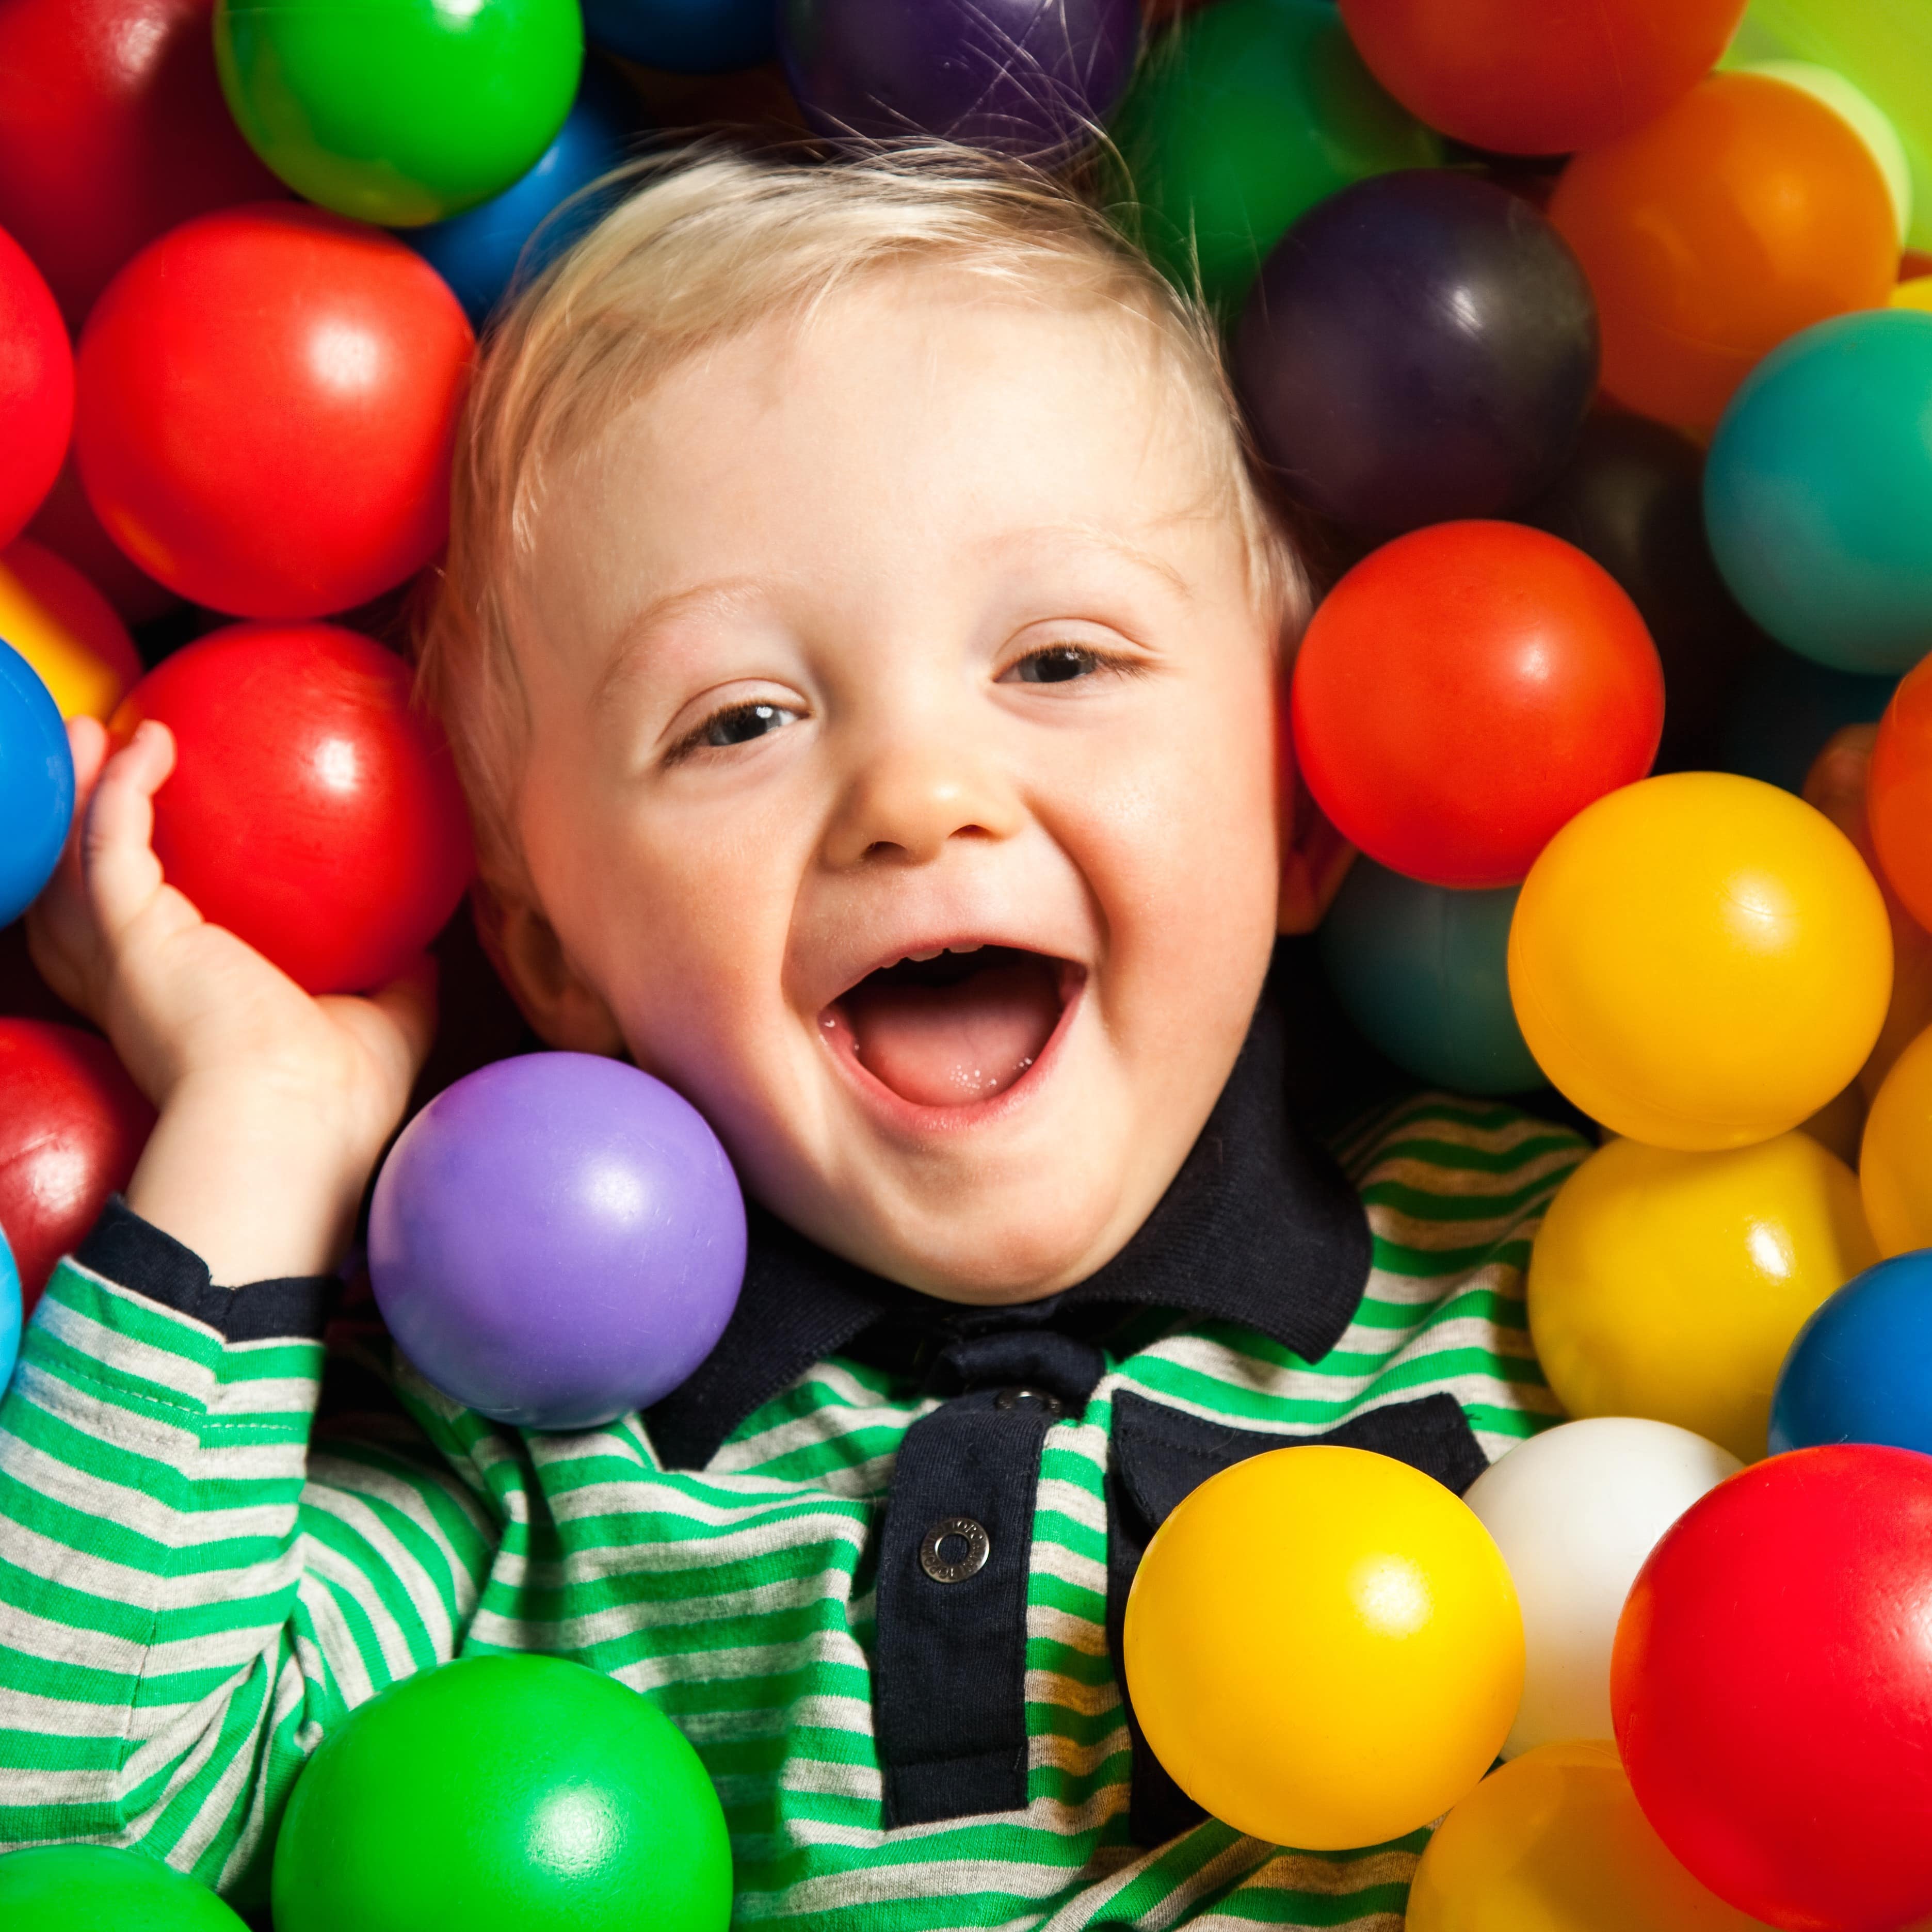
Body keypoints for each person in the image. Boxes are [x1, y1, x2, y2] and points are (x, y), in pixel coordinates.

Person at [1, 149, 1586, 1925]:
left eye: (1060, 663)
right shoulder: (528, 1454)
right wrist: (261, 1128)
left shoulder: (1549, 1278)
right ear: (554, 952)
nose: (916, 794)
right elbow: (74, 1815)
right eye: (739, 719)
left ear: (1297, 805)